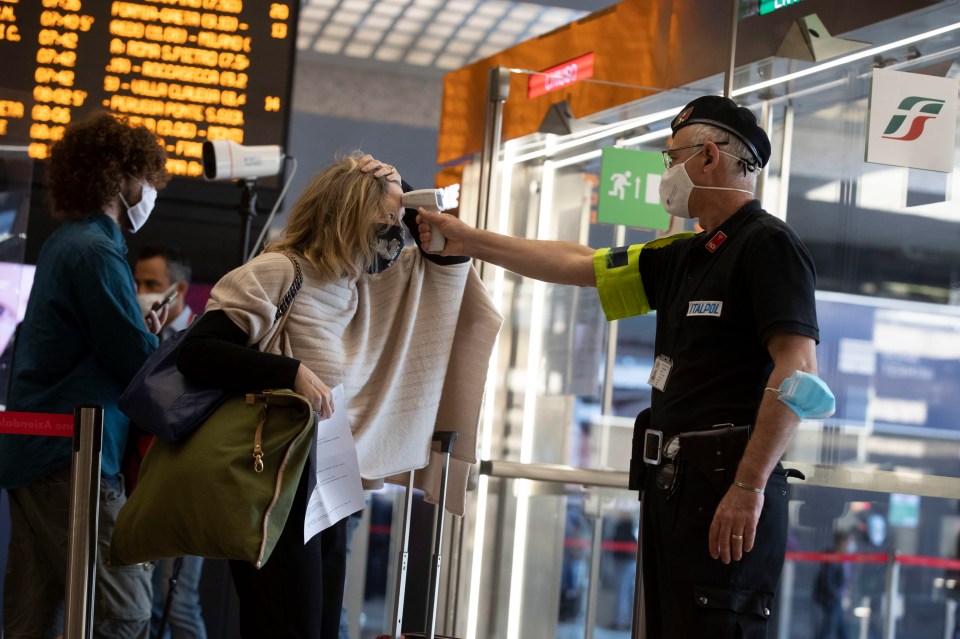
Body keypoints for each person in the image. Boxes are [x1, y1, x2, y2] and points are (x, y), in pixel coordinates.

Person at [417, 95, 828, 638]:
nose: (665, 172)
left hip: (728, 485)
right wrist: (466, 239)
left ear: (708, 157)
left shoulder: (768, 246)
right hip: (675, 484)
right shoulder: (689, 255)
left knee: (714, 625)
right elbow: (575, 263)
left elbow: (797, 372)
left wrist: (748, 486)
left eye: (670, 156)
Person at [176, 152, 498, 637]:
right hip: (279, 474)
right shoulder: (278, 270)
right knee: (288, 623)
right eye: (384, 219)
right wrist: (292, 372)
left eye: (397, 220)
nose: (395, 231)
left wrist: (397, 184)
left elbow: (444, 258)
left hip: (329, 471)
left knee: (324, 623)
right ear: (346, 214)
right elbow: (196, 352)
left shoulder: (354, 283)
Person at [0, 111, 169, 637]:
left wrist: (136, 330)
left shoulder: (66, 242)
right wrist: (155, 341)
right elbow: (134, 359)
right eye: (143, 176)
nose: (148, 189)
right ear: (120, 176)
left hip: (33, 455)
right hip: (73, 458)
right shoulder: (97, 251)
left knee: (36, 617)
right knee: (127, 612)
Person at [133, 245, 207, 639]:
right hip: (140, 486)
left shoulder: (202, 339)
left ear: (177, 290)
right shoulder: (138, 333)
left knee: (178, 602)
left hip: (185, 491)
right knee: (144, 604)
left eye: (152, 284)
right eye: (138, 282)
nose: (141, 290)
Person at [812, 529, 856, 639]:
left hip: (837, 598)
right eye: (849, 542)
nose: (851, 545)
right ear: (842, 542)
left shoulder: (845, 559)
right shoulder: (833, 558)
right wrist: (837, 595)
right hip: (832, 599)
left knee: (839, 628)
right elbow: (828, 582)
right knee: (829, 628)